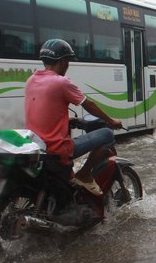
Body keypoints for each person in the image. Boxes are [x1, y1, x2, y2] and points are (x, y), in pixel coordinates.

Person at [25, 39, 122, 195]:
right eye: (68, 61)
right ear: (63, 61)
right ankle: (84, 174)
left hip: (36, 146)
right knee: (107, 134)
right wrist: (111, 121)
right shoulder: (61, 82)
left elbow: (42, 110)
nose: (68, 65)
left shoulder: (31, 80)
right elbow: (88, 105)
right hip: (57, 148)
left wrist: (66, 121)